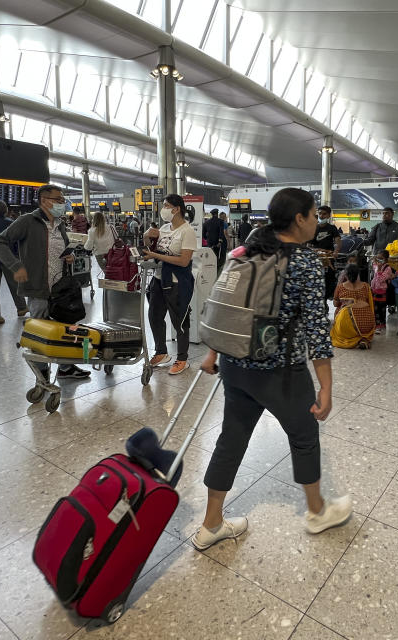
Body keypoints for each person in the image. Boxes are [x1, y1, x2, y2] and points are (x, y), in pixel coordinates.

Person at [192, 187, 350, 551]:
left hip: (234, 365)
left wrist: (214, 353)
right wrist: (325, 387)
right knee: (305, 436)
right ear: (299, 219)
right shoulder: (306, 263)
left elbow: (228, 305)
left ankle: (211, 523)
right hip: (281, 374)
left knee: (231, 438)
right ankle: (317, 511)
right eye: (313, 216)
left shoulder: (250, 247)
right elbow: (316, 332)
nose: (317, 222)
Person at [0, 184, 90, 380]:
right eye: (58, 200)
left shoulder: (60, 223)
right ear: (45, 201)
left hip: (61, 288)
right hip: (38, 287)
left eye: (63, 200)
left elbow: (57, 250)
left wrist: (68, 257)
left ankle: (66, 368)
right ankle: (42, 375)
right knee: (40, 332)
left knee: (64, 329)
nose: (62, 203)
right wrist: (16, 266)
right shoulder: (27, 221)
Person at [142, 194, 196, 376]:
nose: (163, 209)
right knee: (154, 316)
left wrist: (156, 256)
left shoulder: (187, 231)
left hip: (177, 282)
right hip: (159, 279)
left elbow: (183, 261)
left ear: (176, 209)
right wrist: (146, 236)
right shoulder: (165, 228)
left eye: (166, 205)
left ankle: (182, 358)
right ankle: (161, 352)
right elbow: (151, 248)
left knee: (179, 320)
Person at [331, 263, 375, 349]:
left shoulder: (340, 287)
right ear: (358, 274)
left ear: (346, 275)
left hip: (347, 326)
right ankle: (363, 339)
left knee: (339, 314)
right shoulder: (366, 286)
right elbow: (370, 304)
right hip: (366, 325)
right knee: (363, 331)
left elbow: (335, 304)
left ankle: (352, 339)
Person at [370, 250, 393, 333]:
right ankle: (376, 324)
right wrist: (374, 261)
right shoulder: (376, 266)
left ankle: (382, 324)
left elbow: (381, 279)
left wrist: (379, 270)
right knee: (375, 309)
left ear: (386, 259)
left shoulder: (388, 268)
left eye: (381, 258)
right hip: (374, 291)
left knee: (382, 309)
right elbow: (374, 274)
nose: (379, 260)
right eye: (378, 258)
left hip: (382, 292)